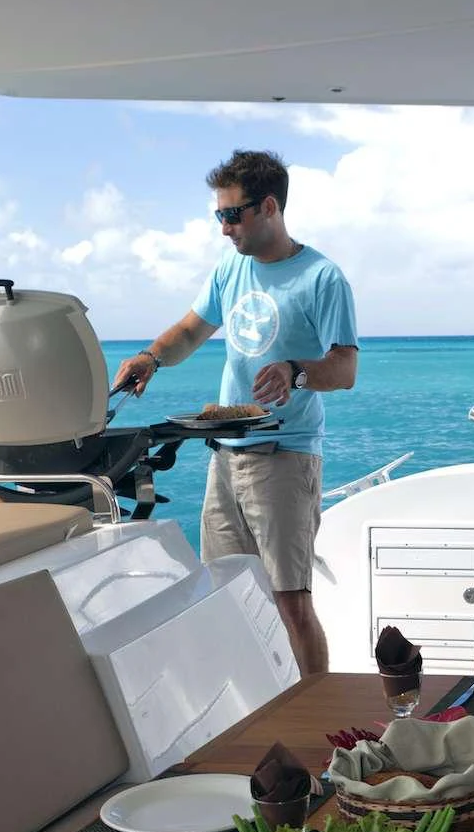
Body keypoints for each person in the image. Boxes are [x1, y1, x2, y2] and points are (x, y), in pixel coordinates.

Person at [112, 148, 357, 675]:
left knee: (291, 603)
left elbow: (344, 368)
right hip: (224, 458)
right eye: (218, 216)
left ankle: (314, 713)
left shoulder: (322, 278)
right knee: (224, 594)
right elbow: (190, 331)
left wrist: (295, 371)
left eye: (231, 214)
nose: (224, 228)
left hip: (284, 457)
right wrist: (151, 358)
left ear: (268, 207)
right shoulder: (230, 268)